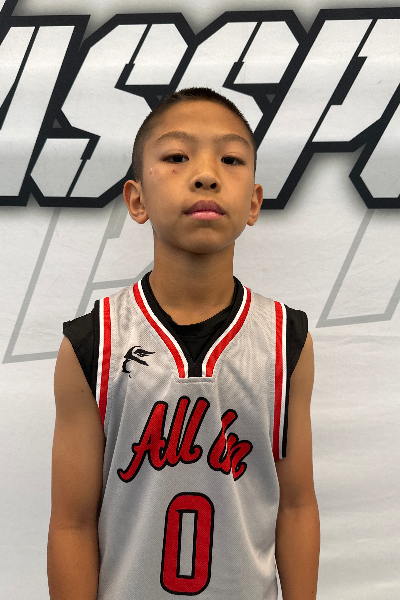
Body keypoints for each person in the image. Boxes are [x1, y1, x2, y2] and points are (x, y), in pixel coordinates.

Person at [47, 87, 320, 600]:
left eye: (231, 159)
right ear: (137, 199)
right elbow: (71, 524)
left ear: (254, 202)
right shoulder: (92, 343)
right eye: (177, 156)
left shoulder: (288, 339)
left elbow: (297, 505)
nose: (206, 174)